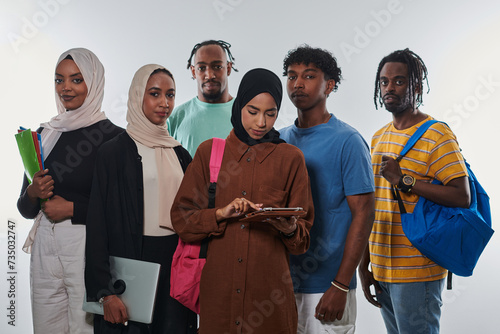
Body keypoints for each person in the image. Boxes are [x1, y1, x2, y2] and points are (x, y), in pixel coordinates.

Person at [171, 68, 314, 334]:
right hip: (218, 304)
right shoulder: (208, 153)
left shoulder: (291, 159)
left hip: (270, 306)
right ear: (238, 107)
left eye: (270, 114)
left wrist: (290, 228)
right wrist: (219, 214)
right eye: (252, 111)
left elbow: (303, 240)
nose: (261, 122)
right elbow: (181, 219)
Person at [358, 48, 470, 334]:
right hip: (381, 265)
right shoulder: (379, 137)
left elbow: (462, 195)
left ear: (416, 86)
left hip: (417, 270)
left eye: (399, 81)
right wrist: (365, 262)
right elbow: (374, 204)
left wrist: (404, 180)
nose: (389, 88)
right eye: (383, 82)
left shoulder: (437, 135)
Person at [16, 48, 123, 333]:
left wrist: (73, 209)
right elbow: (25, 209)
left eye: (76, 80)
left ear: (94, 81)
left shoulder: (115, 138)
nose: (65, 88)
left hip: (87, 246)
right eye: (59, 79)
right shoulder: (43, 134)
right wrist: (32, 193)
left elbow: (122, 210)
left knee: (84, 328)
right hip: (44, 247)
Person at [84, 64, 197, 333]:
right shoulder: (112, 153)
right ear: (137, 96)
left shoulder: (182, 155)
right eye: (155, 94)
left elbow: (194, 216)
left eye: (170, 95)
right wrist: (104, 292)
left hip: (174, 264)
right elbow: (98, 225)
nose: (164, 103)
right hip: (130, 265)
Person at [279, 45, 375, 334]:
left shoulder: (348, 141)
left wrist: (341, 284)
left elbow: (364, 214)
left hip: (328, 286)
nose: (297, 83)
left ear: (329, 85)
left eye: (308, 76)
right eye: (292, 76)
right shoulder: (279, 140)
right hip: (282, 285)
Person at [167, 39, 237, 157]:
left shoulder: (247, 115)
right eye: (201, 68)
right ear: (193, 72)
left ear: (228, 68)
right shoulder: (175, 118)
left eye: (217, 66)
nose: (209, 75)